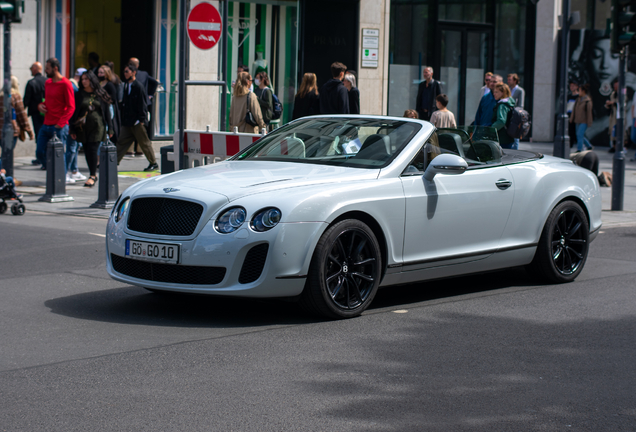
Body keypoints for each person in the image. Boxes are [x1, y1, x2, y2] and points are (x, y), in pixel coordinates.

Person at [69, 70, 114, 187]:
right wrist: (72, 129)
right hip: (83, 127)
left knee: (93, 149)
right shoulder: (79, 94)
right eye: (82, 79)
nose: (84, 81)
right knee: (87, 150)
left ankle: (92, 175)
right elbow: (74, 112)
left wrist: (111, 129)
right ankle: (92, 174)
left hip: (98, 127)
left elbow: (107, 113)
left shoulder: (100, 93)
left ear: (91, 80)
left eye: (86, 79)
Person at [115, 63, 157, 171]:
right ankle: (113, 162)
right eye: (124, 71)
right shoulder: (125, 85)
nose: (125, 74)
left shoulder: (138, 86)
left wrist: (142, 120)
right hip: (128, 121)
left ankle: (153, 163)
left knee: (144, 143)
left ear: (134, 73)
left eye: (127, 71)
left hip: (137, 121)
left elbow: (142, 104)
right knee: (121, 142)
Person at [35, 58, 75, 171]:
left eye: (47, 69)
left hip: (58, 126)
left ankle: (60, 177)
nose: (45, 71)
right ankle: (52, 172)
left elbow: (71, 107)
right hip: (46, 123)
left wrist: (60, 124)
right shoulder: (47, 83)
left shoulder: (66, 84)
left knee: (58, 154)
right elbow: (47, 101)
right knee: (39, 152)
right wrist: (40, 106)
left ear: (55, 68)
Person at [0, 76, 35, 179]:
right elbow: (22, 114)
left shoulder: (1, 96)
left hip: (0, 131)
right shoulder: (15, 96)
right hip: (12, 131)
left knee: (4, 153)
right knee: (7, 155)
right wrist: (29, 131)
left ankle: (6, 177)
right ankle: (8, 178)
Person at [65, 68, 88, 184]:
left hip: (72, 123)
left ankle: (74, 171)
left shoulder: (73, 86)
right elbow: (73, 108)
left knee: (74, 147)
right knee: (72, 148)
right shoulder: (74, 89)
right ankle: (64, 172)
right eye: (83, 79)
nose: (84, 82)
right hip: (72, 123)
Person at [23, 62, 47, 165]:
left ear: (36, 69)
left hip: (36, 113)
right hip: (46, 111)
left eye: (31, 68)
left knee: (39, 134)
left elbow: (26, 100)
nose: (30, 70)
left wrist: (23, 110)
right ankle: (43, 156)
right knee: (45, 133)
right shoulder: (47, 81)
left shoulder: (32, 82)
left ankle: (40, 156)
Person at [98, 65, 121, 141]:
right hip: (100, 107)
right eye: (99, 72)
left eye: (101, 73)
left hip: (108, 108)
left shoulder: (110, 85)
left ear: (106, 74)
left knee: (107, 124)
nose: (99, 74)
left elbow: (114, 99)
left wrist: (105, 99)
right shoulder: (99, 84)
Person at [491, 82, 516, 149]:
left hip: (502, 138)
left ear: (503, 93)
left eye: (496, 92)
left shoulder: (502, 105)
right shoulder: (509, 103)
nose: (494, 94)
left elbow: (501, 121)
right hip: (508, 137)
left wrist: (491, 129)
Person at [570, 83, 594, 152]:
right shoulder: (578, 99)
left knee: (579, 134)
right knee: (579, 135)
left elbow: (589, 113)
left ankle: (579, 149)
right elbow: (574, 110)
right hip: (577, 120)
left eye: (579, 90)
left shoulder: (587, 101)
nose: (578, 92)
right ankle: (589, 146)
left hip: (584, 121)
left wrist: (589, 122)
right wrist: (572, 118)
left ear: (583, 91)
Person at [508, 73, 525, 149]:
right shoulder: (508, 89)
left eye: (510, 80)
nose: (508, 81)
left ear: (515, 80)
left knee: (516, 135)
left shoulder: (520, 90)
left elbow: (521, 105)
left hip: (516, 115)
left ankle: (516, 150)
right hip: (508, 114)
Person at [605, 80, 618, 153]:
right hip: (612, 115)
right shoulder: (613, 94)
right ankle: (613, 146)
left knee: (619, 131)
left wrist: (613, 103)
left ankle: (618, 146)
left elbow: (623, 104)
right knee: (612, 130)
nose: (615, 87)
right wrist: (608, 104)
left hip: (618, 116)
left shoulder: (622, 93)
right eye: (614, 86)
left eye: (617, 86)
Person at [567, 81, 579, 148]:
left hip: (576, 115)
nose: (572, 87)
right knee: (570, 130)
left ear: (577, 87)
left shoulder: (578, 97)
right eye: (571, 86)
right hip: (569, 114)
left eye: (573, 86)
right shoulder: (569, 96)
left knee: (577, 131)